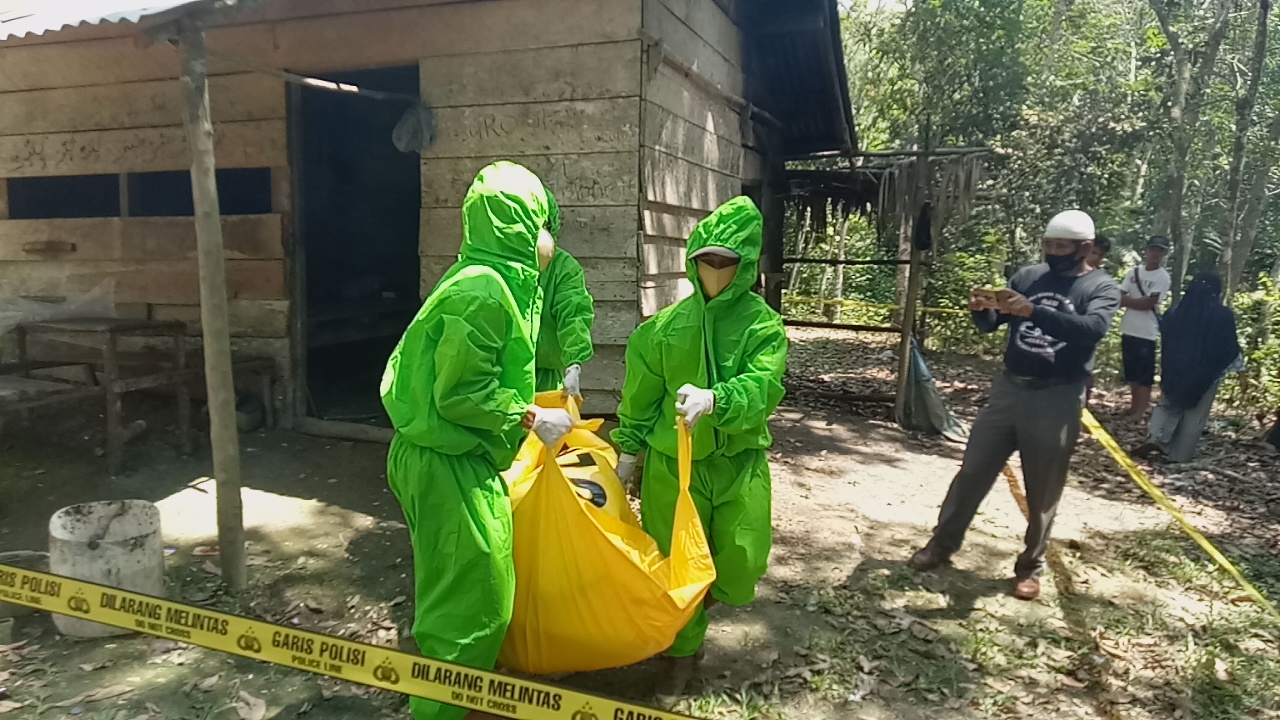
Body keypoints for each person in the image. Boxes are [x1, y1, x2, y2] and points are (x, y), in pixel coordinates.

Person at [380, 161, 575, 720]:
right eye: (542, 225)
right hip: (447, 459)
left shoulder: (481, 280)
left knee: (465, 593)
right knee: (470, 610)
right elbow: (461, 394)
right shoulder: (485, 292)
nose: (550, 242)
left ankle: (454, 702)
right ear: (519, 229)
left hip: (448, 455)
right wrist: (528, 417)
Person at [612, 197, 787, 707]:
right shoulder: (662, 330)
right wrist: (626, 459)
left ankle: (700, 610)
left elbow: (764, 385)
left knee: (740, 558)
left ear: (746, 264)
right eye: (707, 260)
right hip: (674, 469)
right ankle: (680, 656)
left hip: (738, 464)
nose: (715, 271)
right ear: (692, 260)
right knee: (675, 564)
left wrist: (719, 400)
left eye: (727, 262)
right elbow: (640, 399)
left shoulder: (763, 327)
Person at [908, 210, 1121, 601]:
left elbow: (1092, 330)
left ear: (1085, 248)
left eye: (1063, 247)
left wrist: (1034, 311)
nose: (1054, 252)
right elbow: (994, 324)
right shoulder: (1028, 277)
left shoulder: (1101, 287)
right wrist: (981, 309)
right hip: (1009, 388)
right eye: (1049, 245)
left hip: (1058, 395)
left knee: (1042, 488)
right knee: (973, 469)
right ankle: (941, 545)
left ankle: (1030, 567)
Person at [1135, 272, 1242, 463]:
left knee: (1167, 405)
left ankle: (1156, 439)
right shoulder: (1223, 315)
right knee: (1195, 416)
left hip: (1174, 370)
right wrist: (1238, 372)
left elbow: (1165, 336)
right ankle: (1179, 455)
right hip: (1206, 375)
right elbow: (1230, 348)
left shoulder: (1176, 311)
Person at [534, 190, 595, 400]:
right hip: (501, 373)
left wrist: (574, 362)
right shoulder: (495, 269)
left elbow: (574, 313)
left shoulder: (563, 268)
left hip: (547, 375)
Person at [1119, 235, 1172, 420]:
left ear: (1164, 254)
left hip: (1146, 331)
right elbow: (1119, 296)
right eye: (1153, 249)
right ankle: (1133, 407)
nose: (1155, 253)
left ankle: (1141, 410)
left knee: (1144, 374)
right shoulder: (1133, 272)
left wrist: (1128, 301)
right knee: (1131, 371)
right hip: (1128, 327)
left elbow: (1149, 302)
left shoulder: (1163, 277)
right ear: (1146, 250)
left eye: (1160, 250)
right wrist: (1133, 301)